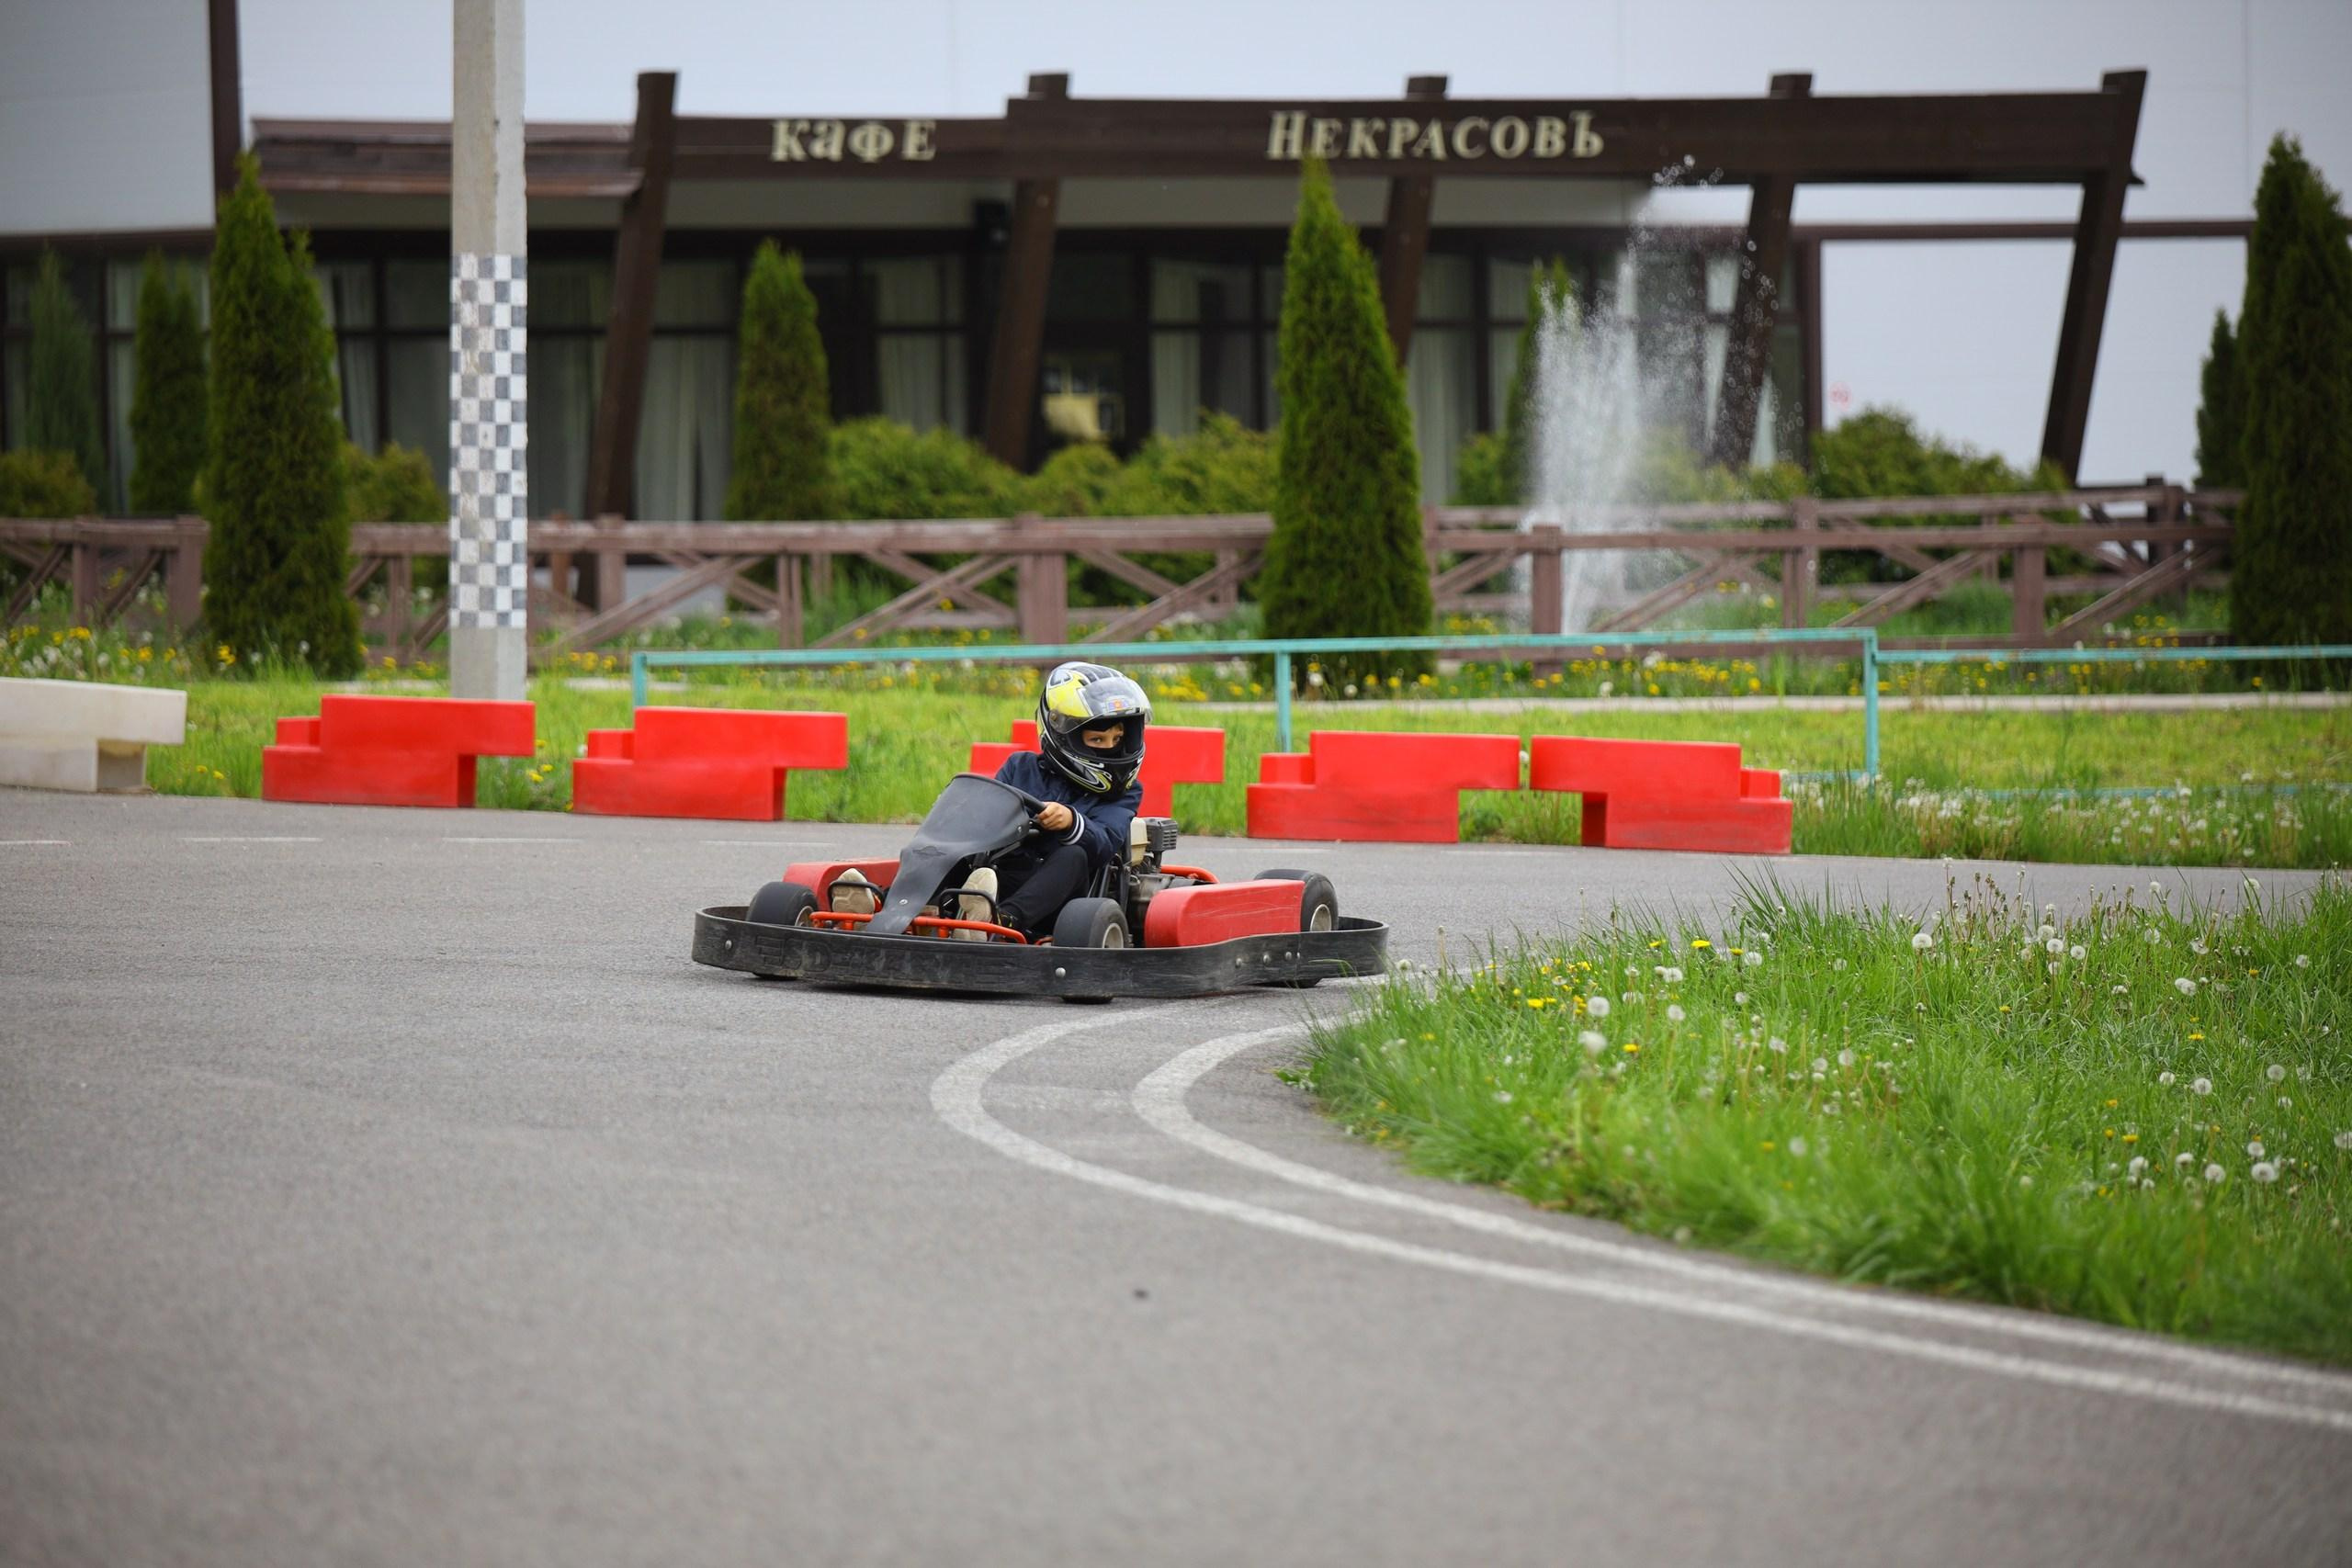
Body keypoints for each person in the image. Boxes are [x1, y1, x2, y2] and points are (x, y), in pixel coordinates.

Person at [966, 660, 1148, 938]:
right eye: (1098, 740)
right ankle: (911, 907)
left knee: (1074, 855)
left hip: (1063, 900)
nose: (1110, 748)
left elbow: (1105, 842)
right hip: (1004, 873)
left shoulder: (1124, 792)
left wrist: (1071, 822)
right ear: (1065, 735)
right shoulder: (1021, 767)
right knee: (956, 842)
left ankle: (1000, 923)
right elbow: (987, 814)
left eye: (1117, 739)